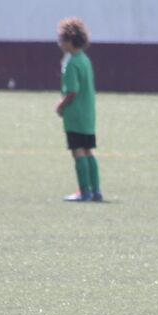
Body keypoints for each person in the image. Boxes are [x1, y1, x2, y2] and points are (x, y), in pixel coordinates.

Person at [56, 17, 102, 202]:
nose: (59, 43)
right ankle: (96, 190)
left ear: (69, 40)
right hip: (88, 115)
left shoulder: (72, 63)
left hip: (75, 115)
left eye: (61, 39)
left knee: (77, 151)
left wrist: (60, 106)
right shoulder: (84, 59)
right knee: (88, 150)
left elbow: (72, 91)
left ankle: (84, 192)